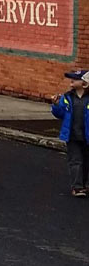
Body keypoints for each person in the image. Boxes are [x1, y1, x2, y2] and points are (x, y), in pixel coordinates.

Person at [51, 70, 89, 198]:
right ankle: (77, 187)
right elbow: (60, 114)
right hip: (72, 135)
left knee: (86, 161)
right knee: (75, 161)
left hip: (86, 136)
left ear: (85, 83)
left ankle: (84, 184)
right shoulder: (67, 97)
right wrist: (56, 105)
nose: (71, 81)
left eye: (75, 78)